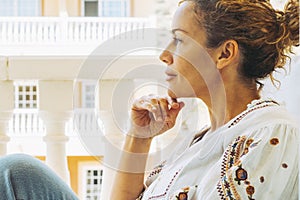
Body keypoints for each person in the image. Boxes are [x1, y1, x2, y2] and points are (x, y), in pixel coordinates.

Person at [110, 0, 300, 200]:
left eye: (179, 40)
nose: (164, 55)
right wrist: (138, 138)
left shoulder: (271, 132)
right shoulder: (196, 144)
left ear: (224, 54)